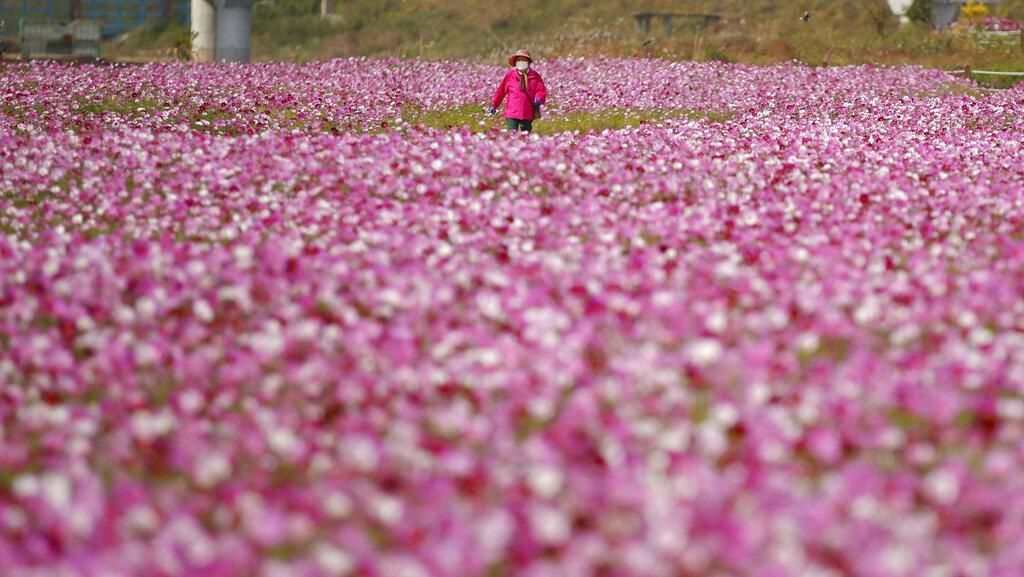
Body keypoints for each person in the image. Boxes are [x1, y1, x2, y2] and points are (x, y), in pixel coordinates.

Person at [490, 50, 547, 133]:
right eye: (519, 60)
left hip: (527, 112)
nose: (521, 62)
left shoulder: (535, 76)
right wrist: (495, 105)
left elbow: (541, 90)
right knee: (512, 134)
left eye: (523, 60)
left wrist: (539, 98)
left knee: (526, 134)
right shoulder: (510, 75)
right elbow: (501, 91)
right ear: (516, 62)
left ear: (528, 62)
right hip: (512, 112)